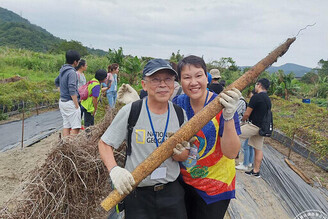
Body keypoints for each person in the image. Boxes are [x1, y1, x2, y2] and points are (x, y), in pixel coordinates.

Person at [99, 59, 190, 219]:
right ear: (144, 85)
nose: (163, 84)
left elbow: (184, 155)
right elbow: (105, 143)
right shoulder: (131, 111)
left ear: (174, 84)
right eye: (155, 79)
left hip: (171, 192)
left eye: (168, 79)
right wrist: (114, 170)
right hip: (138, 194)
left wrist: (180, 153)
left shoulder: (179, 114)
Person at [173, 55, 241, 219]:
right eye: (187, 77)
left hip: (215, 187)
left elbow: (231, 153)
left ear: (207, 77)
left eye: (198, 75)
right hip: (184, 182)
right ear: (180, 81)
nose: (193, 82)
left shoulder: (222, 105)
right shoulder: (178, 103)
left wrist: (229, 116)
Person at [240, 78, 271, 178]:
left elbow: (247, 113)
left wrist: (242, 121)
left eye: (256, 84)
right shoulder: (268, 99)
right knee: (258, 149)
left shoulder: (256, 97)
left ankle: (226, 159)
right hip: (262, 128)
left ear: (259, 85)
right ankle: (256, 171)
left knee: (234, 134)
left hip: (253, 126)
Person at [55, 50, 81, 137]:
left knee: (66, 125)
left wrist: (62, 92)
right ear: (75, 62)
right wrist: (76, 105)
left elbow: (56, 81)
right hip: (70, 102)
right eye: (78, 61)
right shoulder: (72, 72)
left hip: (62, 101)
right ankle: (71, 147)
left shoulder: (63, 70)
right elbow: (72, 89)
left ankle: (65, 145)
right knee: (75, 127)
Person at [235, 89, 256, 170]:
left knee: (245, 145)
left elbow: (238, 112)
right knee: (250, 145)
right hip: (254, 125)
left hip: (248, 125)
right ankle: (250, 162)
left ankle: (245, 164)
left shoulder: (241, 101)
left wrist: (243, 121)